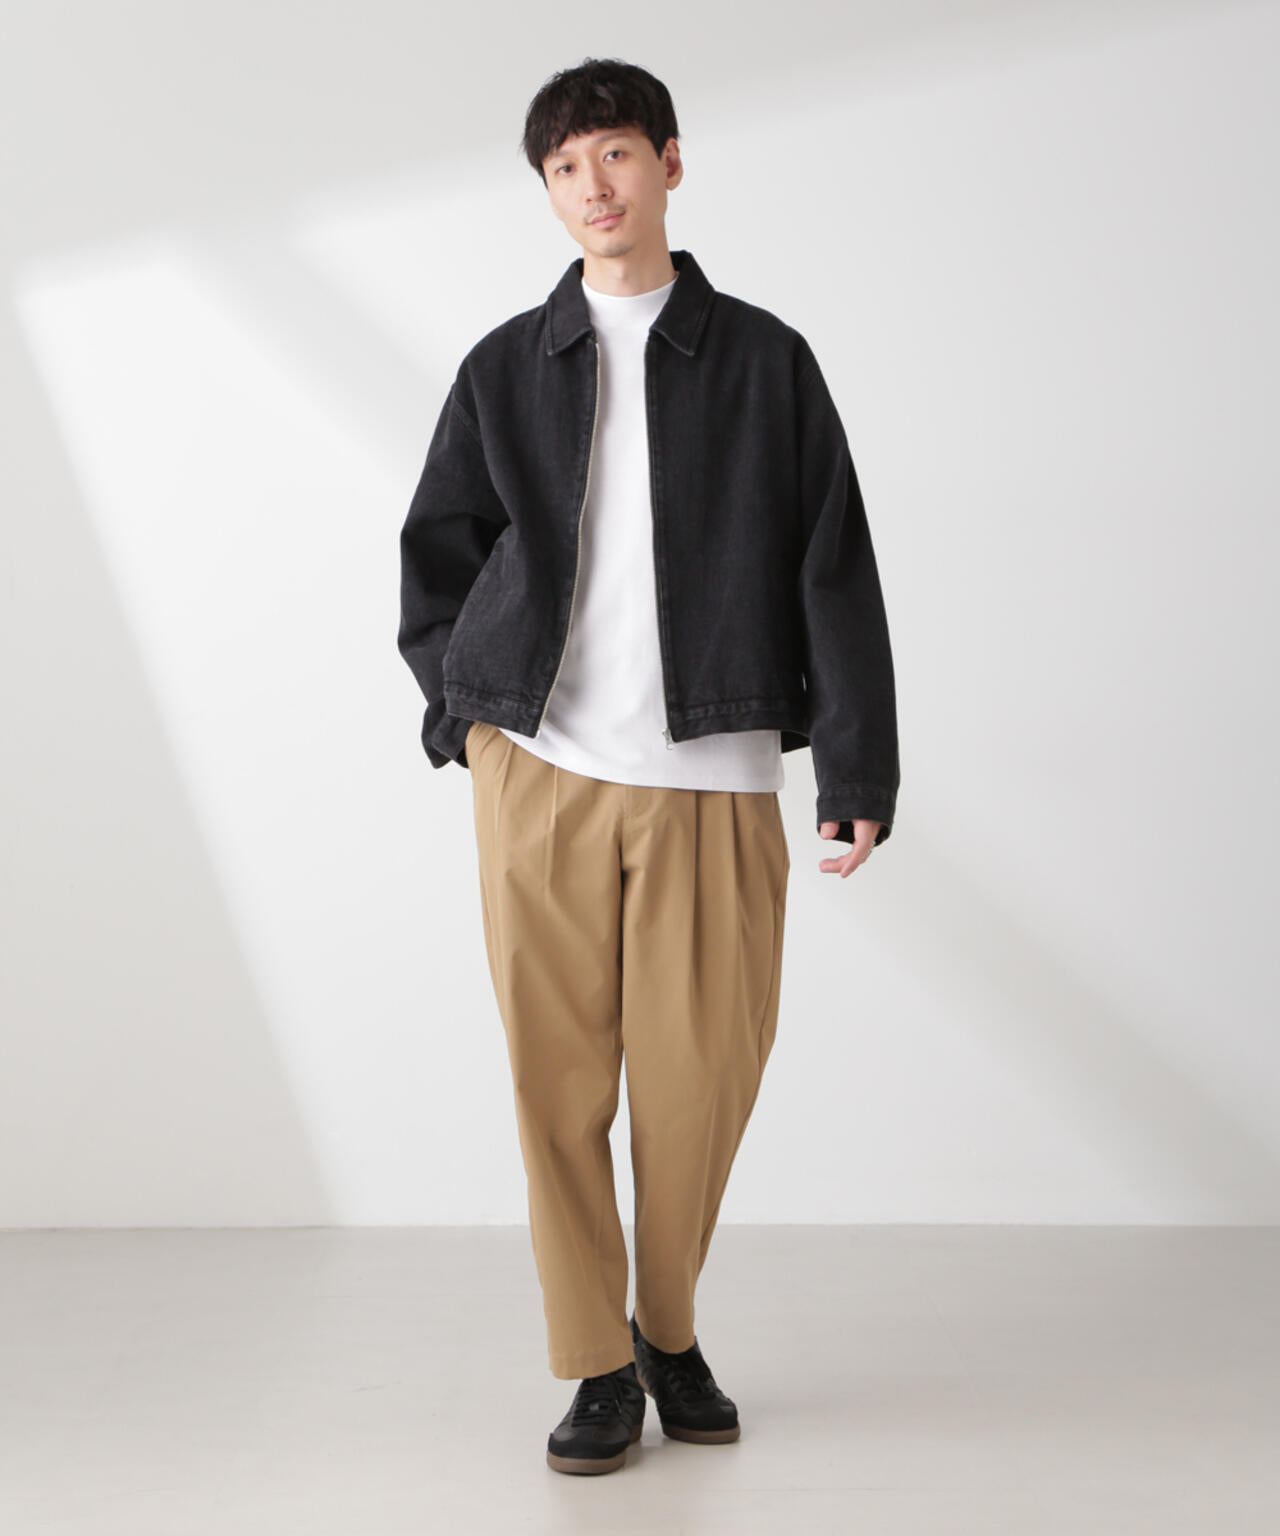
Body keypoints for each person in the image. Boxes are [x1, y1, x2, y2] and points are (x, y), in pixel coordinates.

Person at [397, 56, 900, 1476]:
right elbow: (437, 557)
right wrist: (468, 717)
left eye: (614, 153)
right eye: (563, 169)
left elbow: (834, 567)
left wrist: (856, 768)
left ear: (670, 161)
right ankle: (598, 1364)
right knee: (556, 1090)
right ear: (548, 192)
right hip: (541, 775)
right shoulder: (505, 366)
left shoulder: (764, 362)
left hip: (713, 778)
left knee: (699, 1088)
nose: (592, 187)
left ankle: (665, 1324)